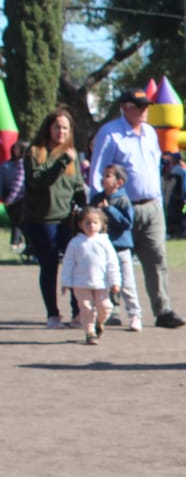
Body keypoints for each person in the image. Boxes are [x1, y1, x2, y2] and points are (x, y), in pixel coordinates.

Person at [89, 88, 186, 329]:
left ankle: (163, 309)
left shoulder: (151, 133)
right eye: (139, 106)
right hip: (121, 207)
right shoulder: (110, 134)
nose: (144, 110)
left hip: (151, 206)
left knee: (157, 258)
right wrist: (97, 207)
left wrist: (159, 203)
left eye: (146, 106)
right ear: (125, 106)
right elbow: (98, 171)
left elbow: (153, 169)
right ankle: (112, 309)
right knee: (117, 259)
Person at [23, 109, 88, 328]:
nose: (61, 131)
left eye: (65, 128)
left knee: (76, 266)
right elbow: (37, 181)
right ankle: (52, 314)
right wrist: (60, 163)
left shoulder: (71, 154)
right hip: (42, 220)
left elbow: (77, 185)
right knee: (49, 266)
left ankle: (78, 312)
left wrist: (84, 207)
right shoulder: (35, 152)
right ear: (48, 128)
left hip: (67, 220)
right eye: (57, 126)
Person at [90, 164, 143, 332]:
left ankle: (135, 315)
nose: (103, 178)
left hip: (120, 249)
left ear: (118, 182)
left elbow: (126, 223)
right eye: (103, 175)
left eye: (107, 176)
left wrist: (108, 209)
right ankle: (107, 314)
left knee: (127, 284)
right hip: (102, 250)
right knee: (104, 284)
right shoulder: (97, 198)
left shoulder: (123, 200)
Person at [60, 207, 120, 345]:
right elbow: (68, 264)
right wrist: (66, 282)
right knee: (86, 308)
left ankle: (99, 322)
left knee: (105, 307)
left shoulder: (105, 242)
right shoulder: (75, 243)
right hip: (80, 283)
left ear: (101, 224)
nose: (91, 226)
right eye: (87, 223)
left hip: (101, 283)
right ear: (80, 224)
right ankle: (89, 332)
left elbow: (112, 264)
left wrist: (115, 282)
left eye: (94, 222)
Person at [2, 141, 27, 254]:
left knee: (18, 222)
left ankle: (16, 242)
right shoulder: (7, 164)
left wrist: (10, 199)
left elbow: (18, 184)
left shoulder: (23, 163)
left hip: (19, 199)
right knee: (16, 222)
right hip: (10, 198)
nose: (15, 150)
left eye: (18, 148)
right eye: (14, 148)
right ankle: (18, 242)